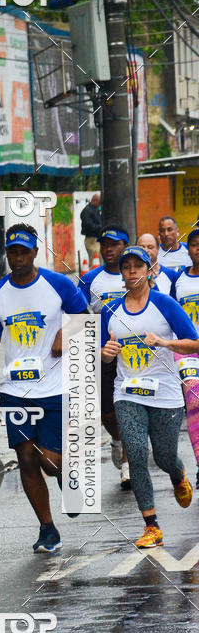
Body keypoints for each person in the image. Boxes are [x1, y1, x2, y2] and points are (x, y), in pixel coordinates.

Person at [0, 223, 88, 554]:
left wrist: (65, 335)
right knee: (25, 458)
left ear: (36, 252)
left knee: (49, 461)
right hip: (14, 389)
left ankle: (69, 476)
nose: (18, 258)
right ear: (6, 253)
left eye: (24, 251)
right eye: (13, 252)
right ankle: (47, 529)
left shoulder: (58, 284)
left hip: (54, 386)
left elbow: (85, 318)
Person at [101, 246, 198, 548]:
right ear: (121, 272)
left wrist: (164, 342)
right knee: (137, 453)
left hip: (165, 395)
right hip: (127, 392)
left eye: (137, 265)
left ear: (148, 269)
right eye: (126, 266)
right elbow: (103, 356)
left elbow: (195, 343)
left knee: (164, 455)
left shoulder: (165, 304)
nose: (132, 271)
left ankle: (178, 472)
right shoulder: (110, 310)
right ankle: (151, 525)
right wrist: (105, 354)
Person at [79, 226, 131, 488]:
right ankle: (118, 439)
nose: (108, 249)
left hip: (133, 353)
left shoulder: (134, 276)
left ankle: (128, 465)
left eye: (114, 244)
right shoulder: (89, 280)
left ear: (124, 246)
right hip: (103, 353)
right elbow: (79, 318)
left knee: (128, 407)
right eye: (104, 245)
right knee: (107, 412)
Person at [169, 226, 199, 488]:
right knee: (194, 399)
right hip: (188, 351)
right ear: (187, 249)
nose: (198, 248)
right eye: (194, 244)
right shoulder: (179, 281)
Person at [80, 193, 103, 268]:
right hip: (92, 239)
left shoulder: (94, 210)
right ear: (94, 201)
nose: (100, 205)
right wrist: (101, 227)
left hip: (96, 239)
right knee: (95, 261)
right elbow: (89, 226)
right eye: (99, 202)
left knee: (99, 261)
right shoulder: (87, 211)